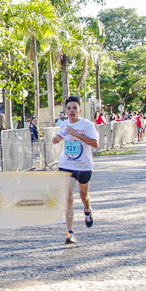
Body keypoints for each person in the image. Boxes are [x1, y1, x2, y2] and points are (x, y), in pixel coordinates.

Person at [52, 96, 98, 244]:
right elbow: (61, 137)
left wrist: (77, 134)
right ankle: (70, 232)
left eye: (74, 108)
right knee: (68, 197)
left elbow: (95, 143)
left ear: (79, 109)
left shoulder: (87, 125)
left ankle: (87, 209)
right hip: (66, 165)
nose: (71, 111)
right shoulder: (64, 124)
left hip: (84, 166)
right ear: (66, 110)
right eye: (69, 108)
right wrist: (56, 139)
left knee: (84, 196)